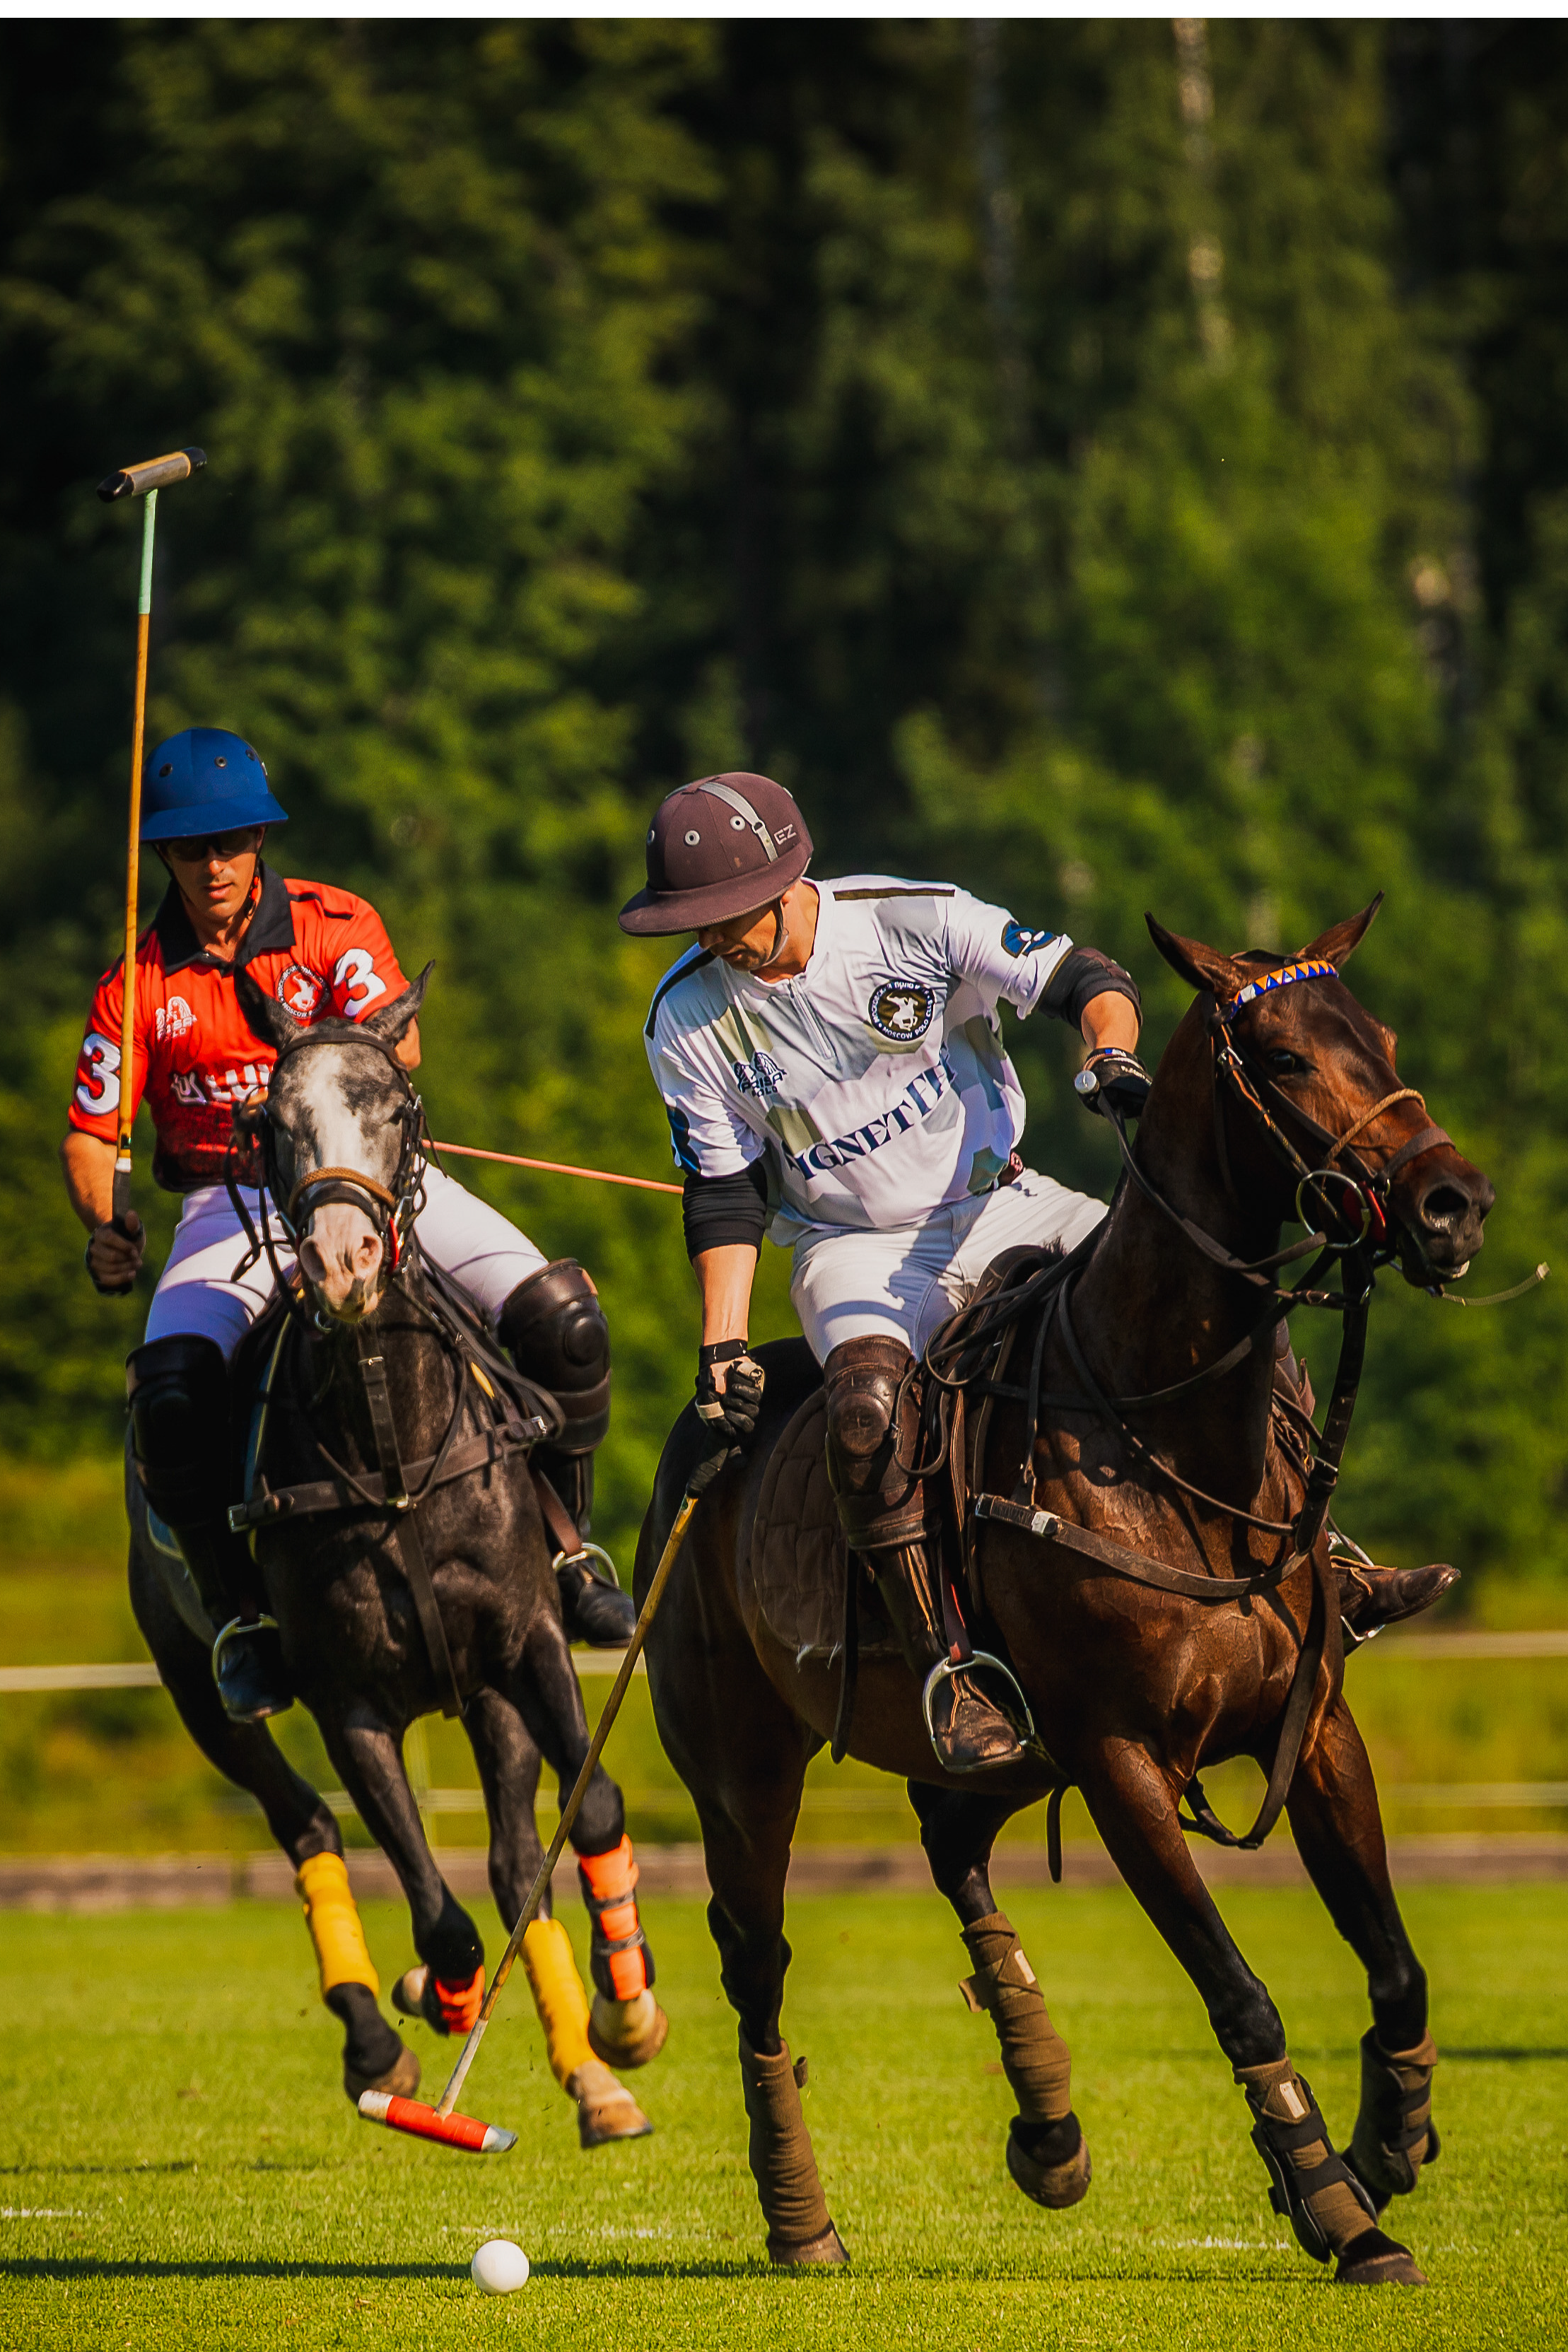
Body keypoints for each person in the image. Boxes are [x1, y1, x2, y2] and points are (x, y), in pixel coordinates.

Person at [621, 771, 1453, 1775]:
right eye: (690, 922)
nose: (708, 938)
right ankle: (949, 1670)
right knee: (863, 1417)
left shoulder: (909, 920)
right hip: (853, 1248)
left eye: (720, 916)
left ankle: (1324, 1562)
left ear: (786, 875)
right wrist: (720, 1345)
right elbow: (720, 1194)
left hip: (1000, 1196)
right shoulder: (686, 1019)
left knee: (1218, 1300)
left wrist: (1109, 1051)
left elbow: (1080, 974)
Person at [64, 727, 628, 1724]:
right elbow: (87, 1133)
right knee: (170, 1391)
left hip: (367, 1180)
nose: (216, 866)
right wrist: (107, 1221)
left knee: (562, 1315)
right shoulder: (140, 982)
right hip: (229, 1203)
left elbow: (397, 1043)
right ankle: (240, 1614)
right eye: (194, 848)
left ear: (259, 843)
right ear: (164, 855)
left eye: (233, 843)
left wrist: (308, 1089)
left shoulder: (334, 925)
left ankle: (570, 1547)